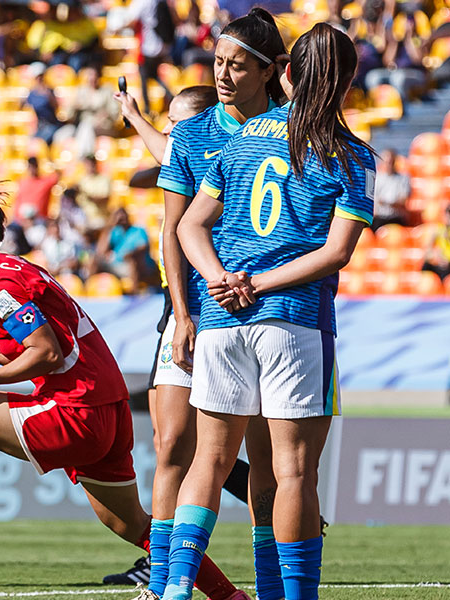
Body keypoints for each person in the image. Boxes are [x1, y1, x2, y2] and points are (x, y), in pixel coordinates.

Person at [0, 171, 239, 600]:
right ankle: (230, 597)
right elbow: (50, 350)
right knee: (131, 525)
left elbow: (47, 355)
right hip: (106, 409)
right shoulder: (12, 271)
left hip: (80, 408)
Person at [172, 23, 376, 600]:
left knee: (208, 463)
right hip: (293, 320)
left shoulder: (241, 138)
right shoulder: (352, 154)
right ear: (347, 82)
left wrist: (221, 282)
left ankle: (177, 590)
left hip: (222, 319)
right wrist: (256, 283)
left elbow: (191, 224)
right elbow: (336, 252)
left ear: (285, 72)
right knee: (291, 473)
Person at [121, 9, 286, 600]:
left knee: (266, 467)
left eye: (235, 64)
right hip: (199, 312)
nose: (221, 73)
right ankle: (166, 582)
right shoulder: (193, 135)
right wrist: (184, 315)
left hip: (272, 312)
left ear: (268, 73)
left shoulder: (292, 129)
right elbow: (174, 230)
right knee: (177, 448)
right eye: (216, 61)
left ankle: (267, 585)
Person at [104, 84, 256, 588]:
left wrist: (137, 116)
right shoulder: (186, 153)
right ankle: (163, 574)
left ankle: (276, 544)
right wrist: (134, 114)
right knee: (172, 445)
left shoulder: (224, 147)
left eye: (176, 121)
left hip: (231, 311)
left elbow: (167, 147)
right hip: (182, 311)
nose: (169, 130)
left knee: (216, 449)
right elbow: (164, 152)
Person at [371, 148, 410, 231]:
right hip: (379, 218)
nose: (389, 164)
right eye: (387, 161)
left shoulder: (403, 178)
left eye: (391, 161)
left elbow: (403, 201)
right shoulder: (376, 179)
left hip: (396, 218)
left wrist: (386, 203)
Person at [14, 156, 59, 222]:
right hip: (23, 220)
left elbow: (57, 176)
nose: (32, 169)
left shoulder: (45, 182)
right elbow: (18, 201)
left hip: (39, 220)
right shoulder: (22, 182)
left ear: (37, 167)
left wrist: (51, 162)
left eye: (34, 166)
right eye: (30, 166)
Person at [421, 204, 450, 281]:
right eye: (448, 213)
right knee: (426, 265)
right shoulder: (437, 230)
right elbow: (427, 253)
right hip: (440, 263)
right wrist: (435, 257)